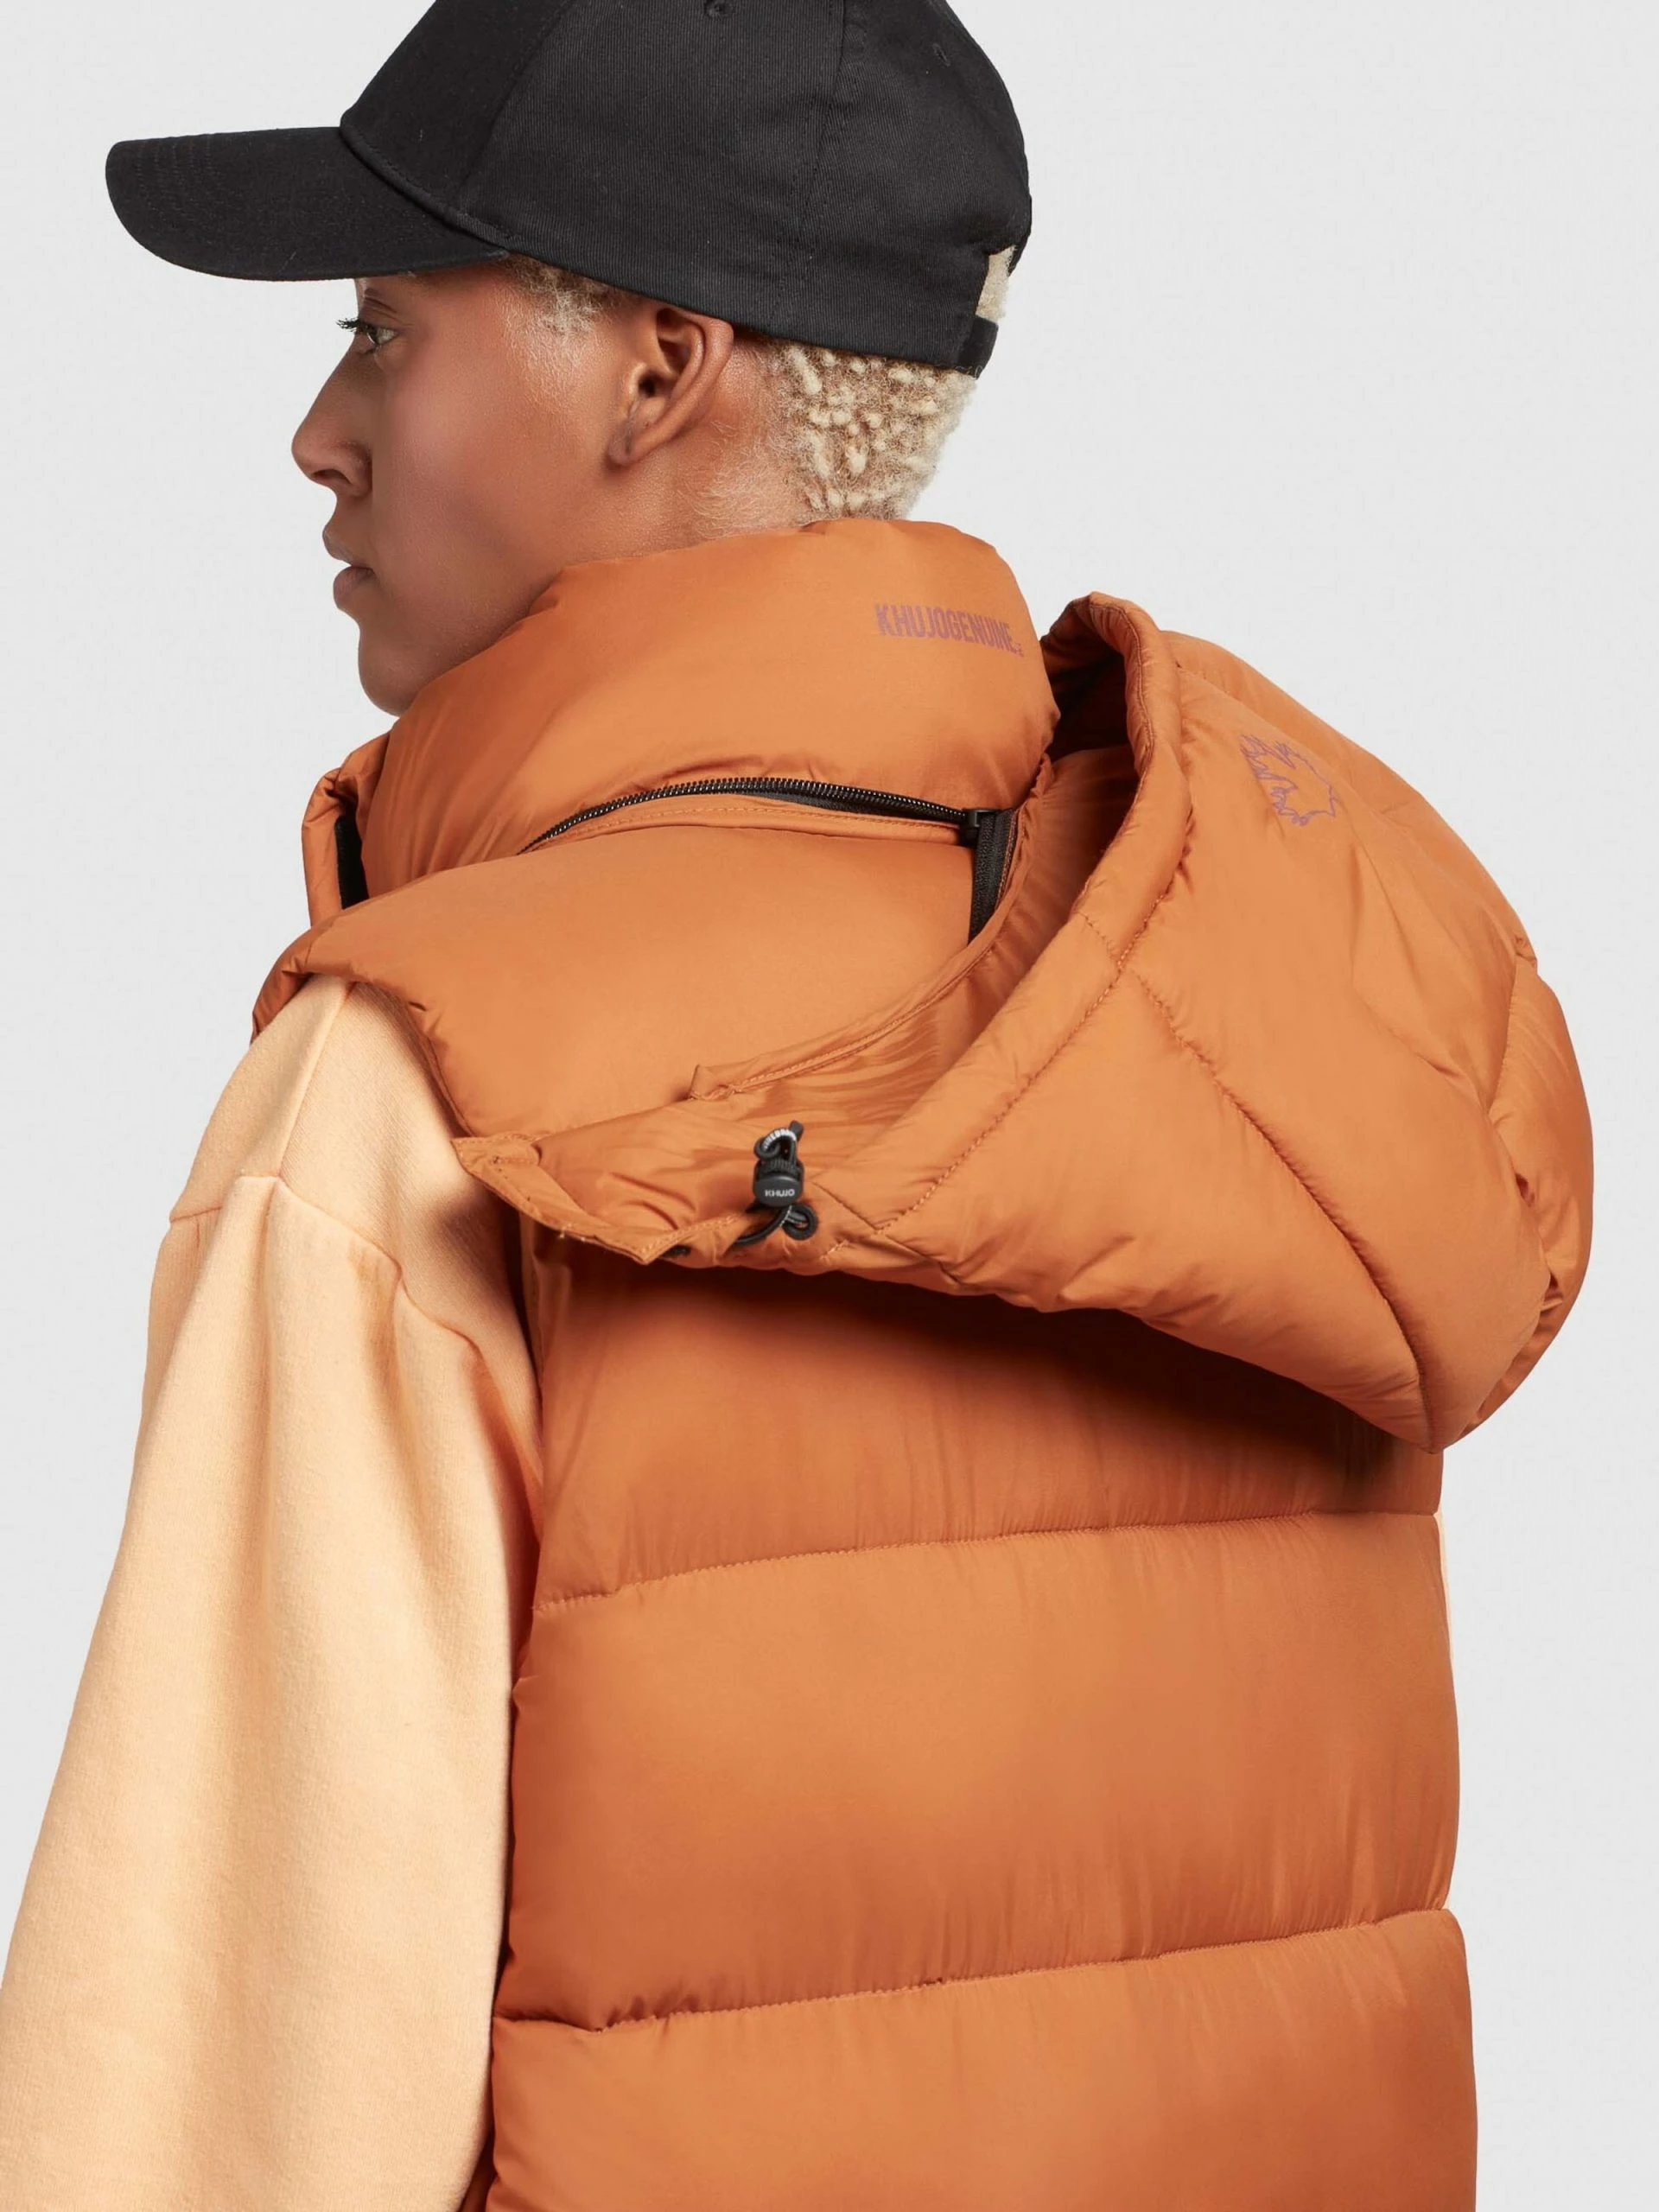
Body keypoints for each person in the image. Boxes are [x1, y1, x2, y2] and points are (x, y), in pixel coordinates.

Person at [0, 3, 1592, 2207]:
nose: (315, 433)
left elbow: (224, 2125)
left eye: (382, 330)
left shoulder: (412, 1099)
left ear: (660, 370)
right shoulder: (1280, 1030)